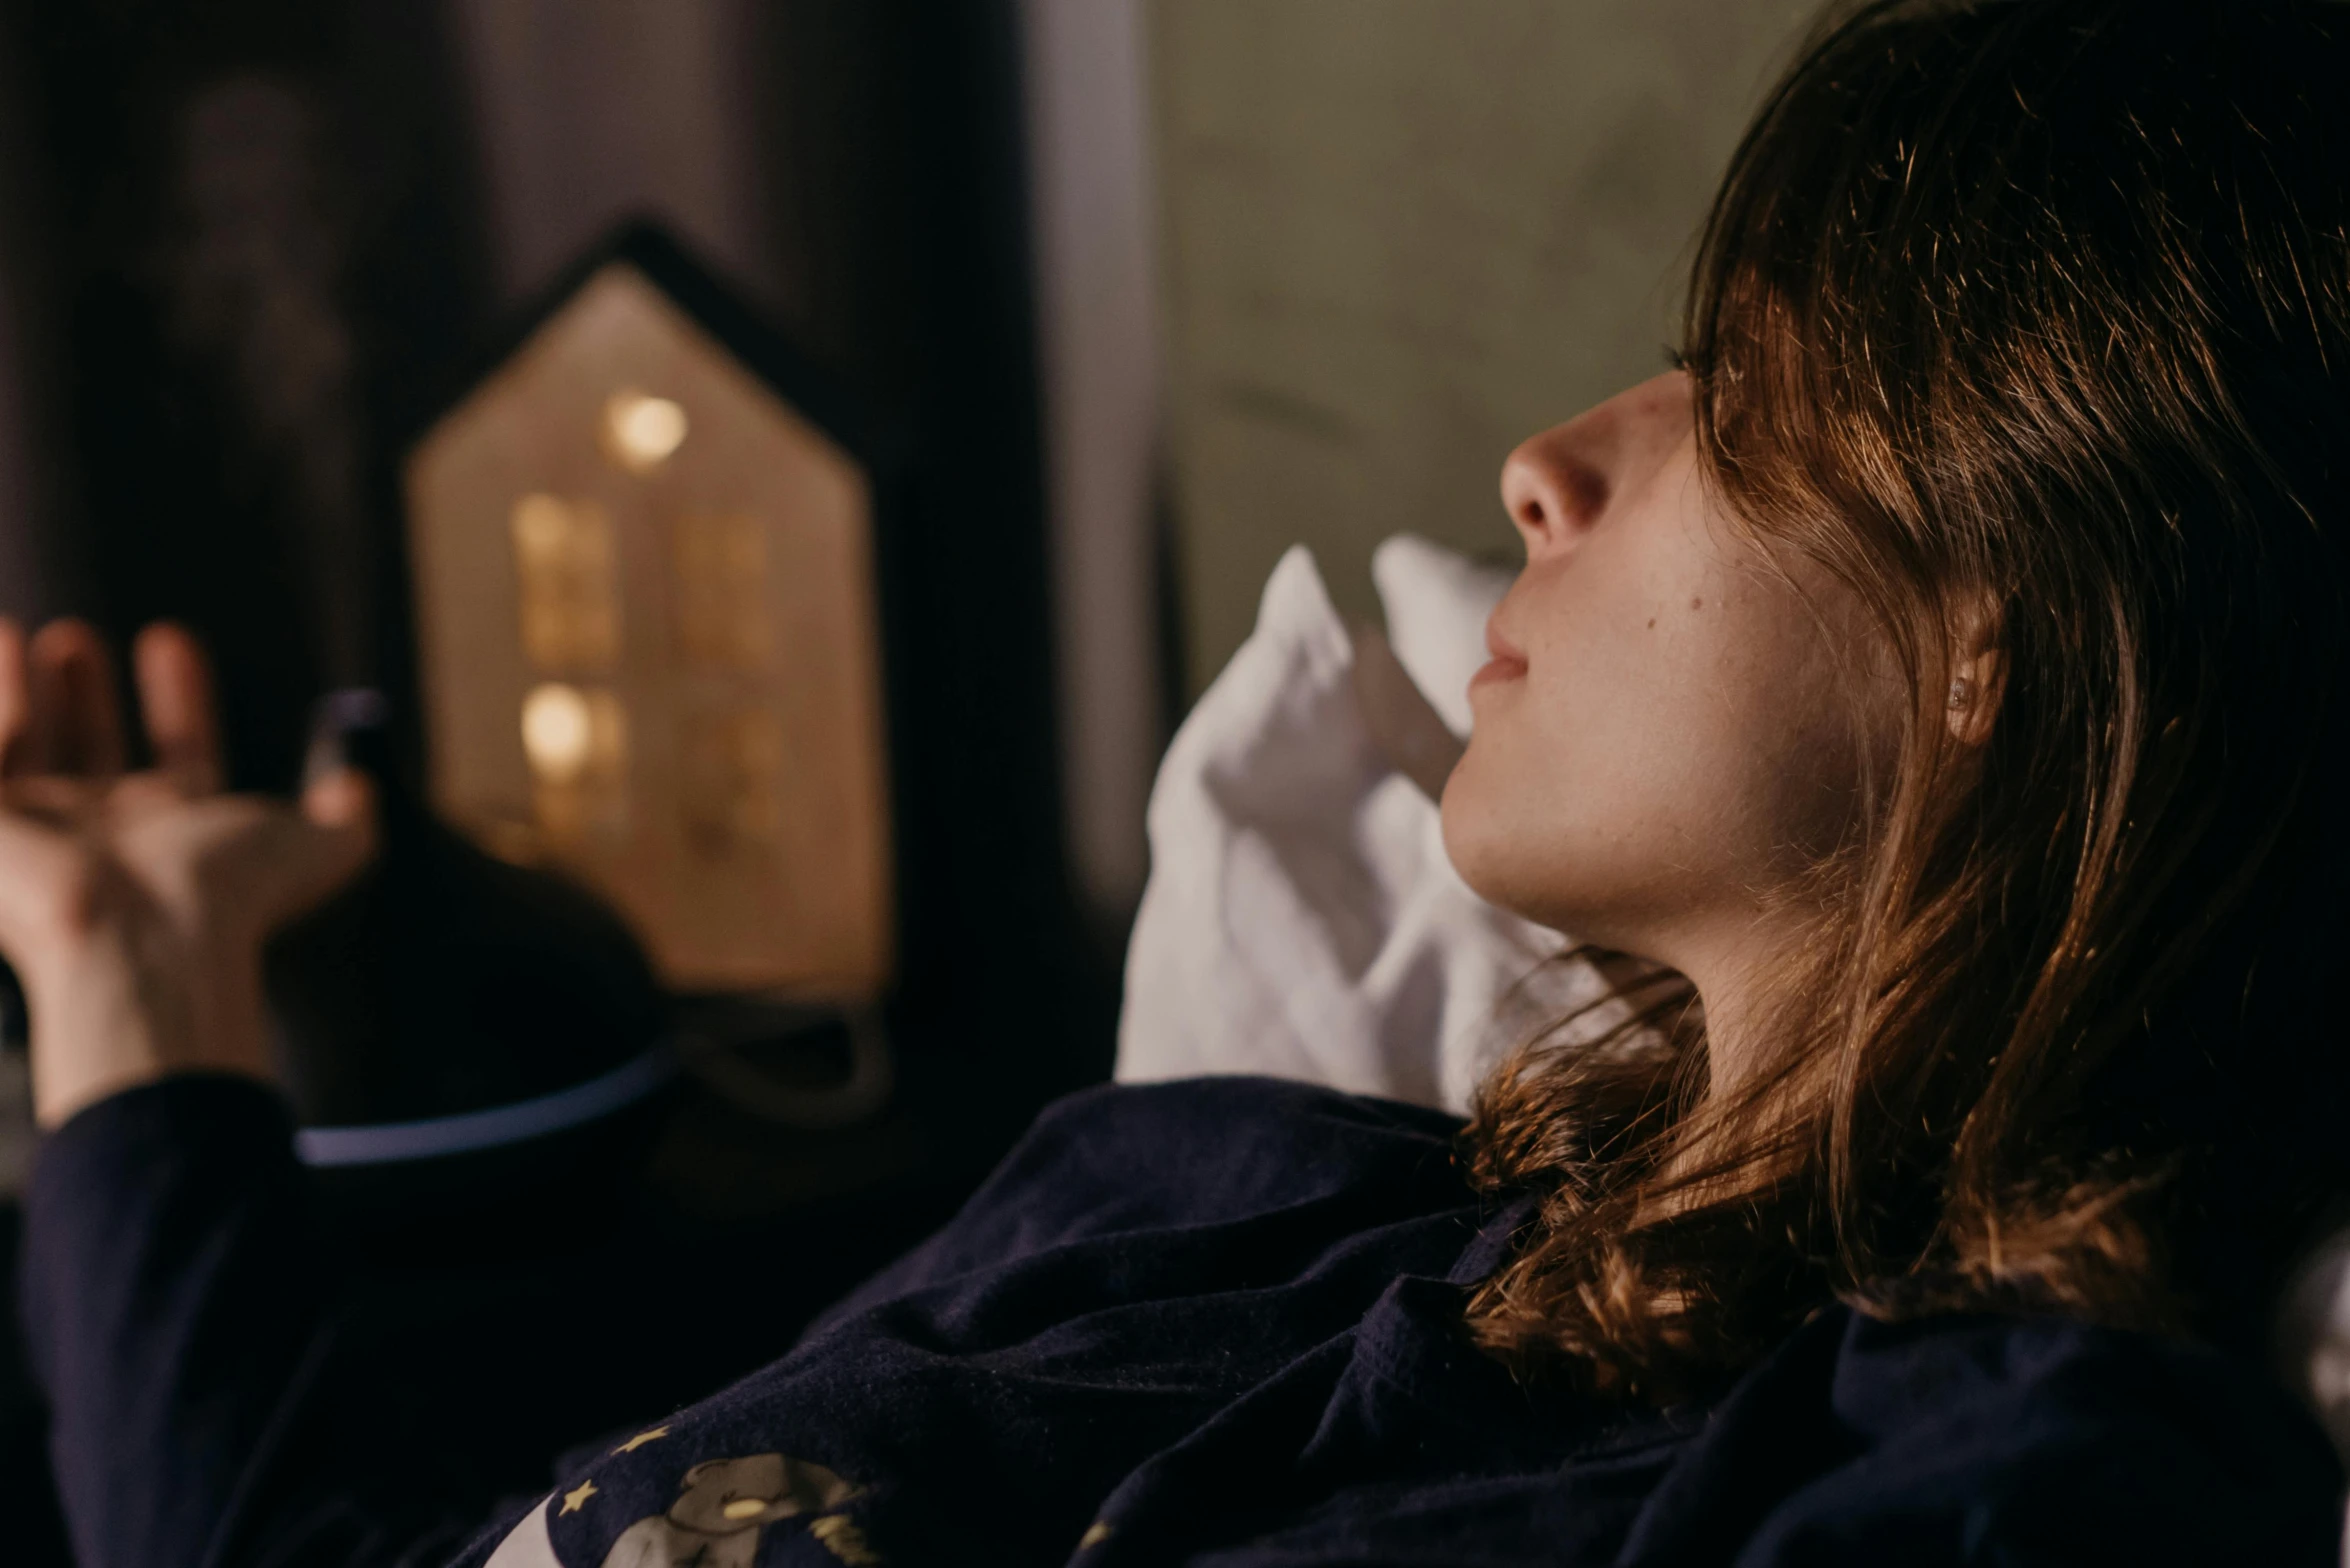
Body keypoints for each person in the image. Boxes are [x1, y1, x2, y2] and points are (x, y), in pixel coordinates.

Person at [16, 0, 2350, 1562]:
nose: (1543, 466)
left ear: (2001, 644)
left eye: (1733, 411)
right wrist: (131, 977)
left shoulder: (1996, 1481)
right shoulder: (1229, 1189)